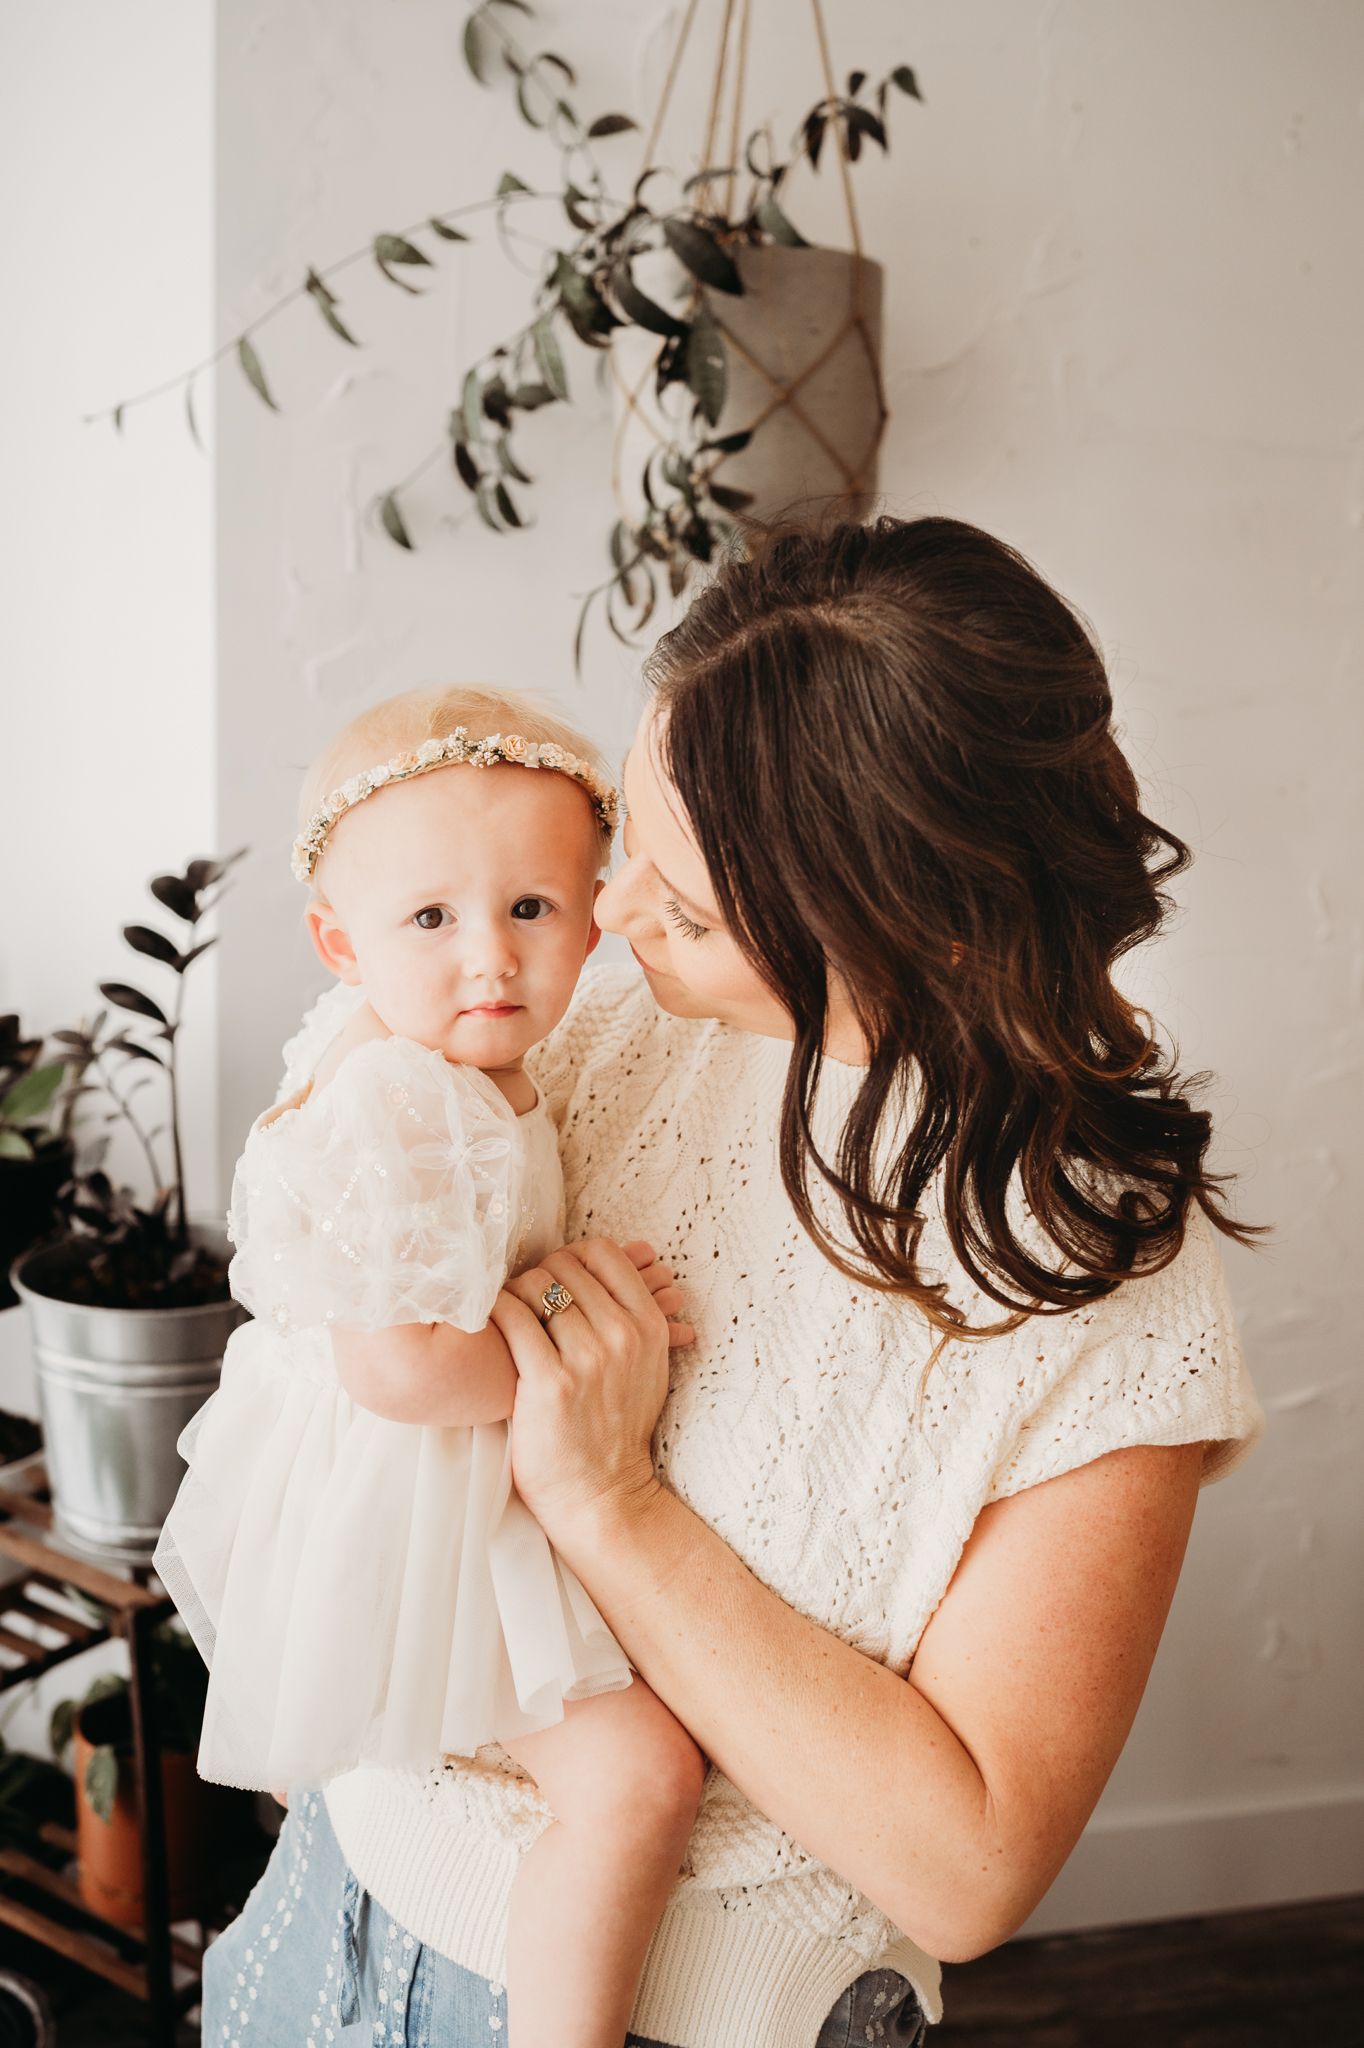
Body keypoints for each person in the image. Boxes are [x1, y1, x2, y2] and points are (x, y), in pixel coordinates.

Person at [201, 516, 1263, 2048]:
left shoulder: (1100, 1289)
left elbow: (969, 1871)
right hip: (334, 1914)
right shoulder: (597, 1028)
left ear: (899, 918)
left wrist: (610, 1501)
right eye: (628, 846)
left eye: (687, 907)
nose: (614, 916)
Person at [157, 686, 704, 2048]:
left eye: (531, 908)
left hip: (414, 1465)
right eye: (431, 920)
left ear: (593, 911)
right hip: (403, 1490)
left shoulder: (444, 1050)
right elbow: (403, 1371)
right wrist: (581, 1322)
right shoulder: (402, 1099)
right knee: (636, 1781)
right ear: (341, 942)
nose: (490, 959)